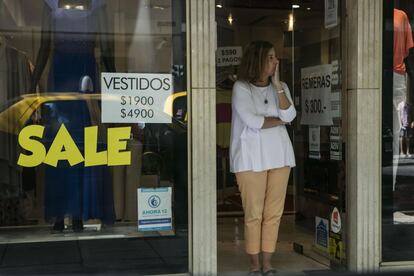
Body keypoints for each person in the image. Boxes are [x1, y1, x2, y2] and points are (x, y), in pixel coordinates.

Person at [230, 40, 296, 275]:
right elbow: (254, 121)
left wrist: (277, 85)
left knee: (274, 214)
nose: (276, 61)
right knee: (254, 214)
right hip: (250, 159)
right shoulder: (241, 87)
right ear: (257, 59)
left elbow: (291, 113)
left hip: (281, 156)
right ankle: (254, 264)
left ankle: (267, 264)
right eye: (270, 57)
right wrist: (280, 121)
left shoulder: (282, 86)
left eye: (275, 57)